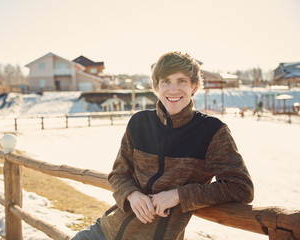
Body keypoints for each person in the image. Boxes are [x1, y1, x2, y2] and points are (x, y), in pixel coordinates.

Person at [71, 51, 254, 240]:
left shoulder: (212, 131)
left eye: (181, 81)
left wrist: (179, 196)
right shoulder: (139, 122)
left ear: (194, 87)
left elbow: (241, 187)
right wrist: (131, 194)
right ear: (156, 87)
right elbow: (119, 174)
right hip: (103, 231)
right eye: (166, 81)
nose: (173, 89)